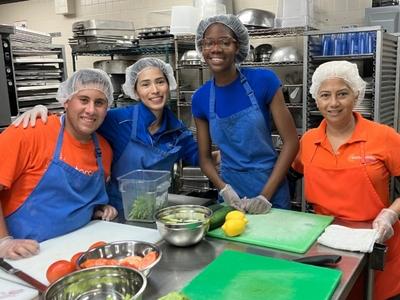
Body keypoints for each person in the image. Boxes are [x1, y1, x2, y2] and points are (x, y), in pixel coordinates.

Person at [13, 58, 202, 215]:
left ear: (169, 85)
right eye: (145, 84)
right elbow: (80, 119)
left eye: (160, 82)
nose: (155, 90)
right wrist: (42, 112)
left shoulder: (179, 133)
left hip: (155, 212)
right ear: (135, 92)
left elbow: (203, 159)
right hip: (113, 215)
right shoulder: (117, 120)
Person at [292, 60, 400, 300]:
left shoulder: (383, 136)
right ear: (316, 99)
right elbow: (291, 174)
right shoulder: (309, 140)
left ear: (356, 95)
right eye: (325, 95)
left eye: (342, 94)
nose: (333, 103)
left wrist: (390, 214)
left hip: (377, 239)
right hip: (326, 243)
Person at [0, 69, 118, 260]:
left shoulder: (103, 150)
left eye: (99, 103)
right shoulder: (29, 132)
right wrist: (3, 241)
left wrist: (95, 209)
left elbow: (73, 200)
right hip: (19, 259)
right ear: (66, 101)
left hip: (71, 251)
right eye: (83, 99)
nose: (90, 110)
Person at [192, 14, 299, 213]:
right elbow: (205, 159)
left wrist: (265, 196)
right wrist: (224, 189)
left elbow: (291, 142)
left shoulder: (264, 81)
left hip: (271, 189)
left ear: (237, 46)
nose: (216, 49)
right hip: (232, 194)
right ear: (202, 47)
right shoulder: (200, 98)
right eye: (208, 43)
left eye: (225, 42)